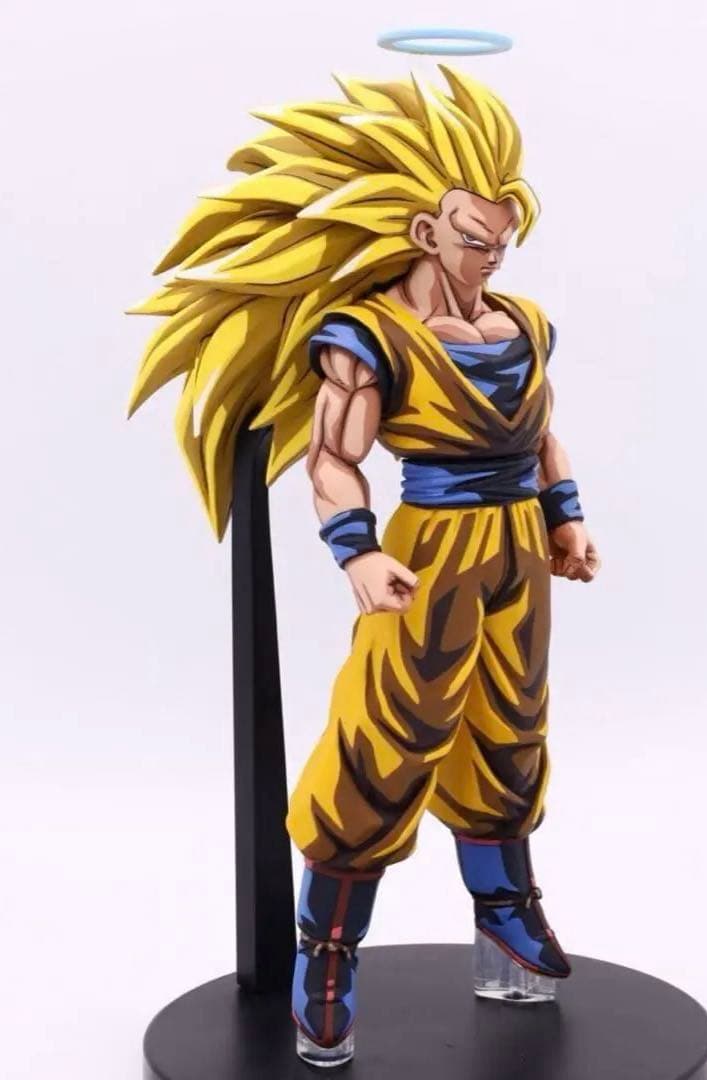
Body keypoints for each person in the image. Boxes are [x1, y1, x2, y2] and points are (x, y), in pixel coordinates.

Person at [128, 65, 600, 1067]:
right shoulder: (370, 336)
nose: (491, 256)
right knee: (387, 736)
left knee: (511, 725)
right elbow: (333, 459)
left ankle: (506, 908)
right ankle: (328, 952)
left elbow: (542, 432)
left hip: (517, 544)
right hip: (429, 550)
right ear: (426, 231)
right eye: (474, 238)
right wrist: (359, 550)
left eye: (503, 240)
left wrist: (566, 517)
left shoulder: (521, 324)